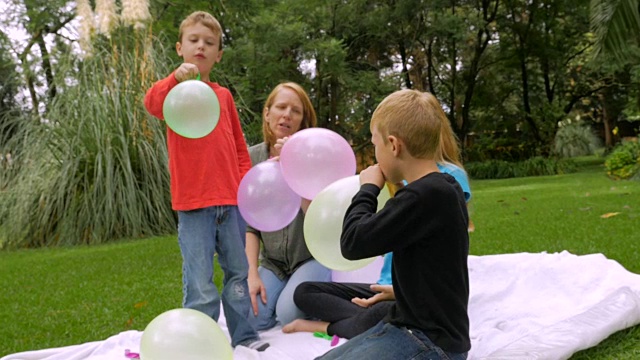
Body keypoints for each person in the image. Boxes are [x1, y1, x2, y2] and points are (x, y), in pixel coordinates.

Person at [283, 113, 472, 340]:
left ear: (393, 145)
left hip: (428, 338)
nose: (374, 154)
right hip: (412, 305)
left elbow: (352, 243)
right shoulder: (436, 189)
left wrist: (368, 189)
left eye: (374, 144)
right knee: (306, 291)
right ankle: (365, 319)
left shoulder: (424, 195)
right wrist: (400, 293)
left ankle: (341, 325)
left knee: (380, 313)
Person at [143, 11, 268, 351]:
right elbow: (151, 103)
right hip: (193, 204)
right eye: (194, 41)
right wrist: (173, 79)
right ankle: (198, 342)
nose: (201, 46)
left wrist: (245, 186)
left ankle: (244, 336)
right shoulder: (173, 94)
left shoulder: (223, 97)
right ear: (180, 48)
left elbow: (240, 148)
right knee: (199, 281)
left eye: (209, 43)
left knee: (238, 273)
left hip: (231, 203)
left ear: (218, 54)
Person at [245, 82, 332, 331]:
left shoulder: (315, 158)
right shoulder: (251, 159)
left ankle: (317, 298)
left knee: (288, 313)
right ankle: (288, 289)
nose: (287, 115)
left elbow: (317, 219)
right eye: (281, 107)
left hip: (311, 258)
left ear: (303, 121)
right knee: (252, 317)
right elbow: (250, 226)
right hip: (273, 263)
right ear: (267, 113)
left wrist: (294, 166)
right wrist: (252, 273)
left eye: (295, 110)